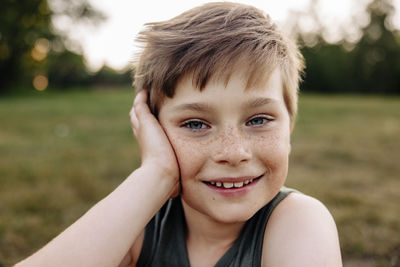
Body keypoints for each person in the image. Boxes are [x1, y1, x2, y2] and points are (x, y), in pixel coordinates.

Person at [15, 2, 342, 267]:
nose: (233, 151)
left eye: (258, 119)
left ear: (289, 127)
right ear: (153, 131)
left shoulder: (299, 222)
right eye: (196, 124)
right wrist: (156, 174)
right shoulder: (143, 228)